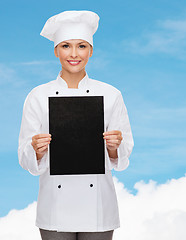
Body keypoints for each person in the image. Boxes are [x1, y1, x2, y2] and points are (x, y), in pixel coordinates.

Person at [18, 10, 134, 240]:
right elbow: (25, 158)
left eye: (81, 46)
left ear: (91, 51)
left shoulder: (111, 95)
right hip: (55, 207)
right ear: (55, 51)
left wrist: (113, 147)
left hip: (98, 206)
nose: (74, 54)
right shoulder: (38, 96)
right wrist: (36, 151)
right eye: (65, 46)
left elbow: (123, 159)